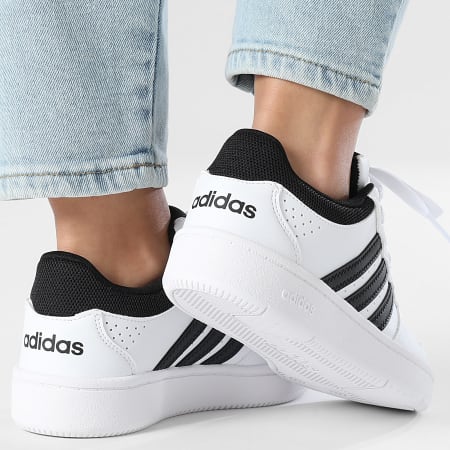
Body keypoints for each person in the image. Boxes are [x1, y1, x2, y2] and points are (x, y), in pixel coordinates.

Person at [1, 0, 438, 438]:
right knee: (299, 150)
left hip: (59, 339)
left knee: (105, 233)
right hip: (296, 227)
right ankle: (304, 182)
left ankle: (101, 272)